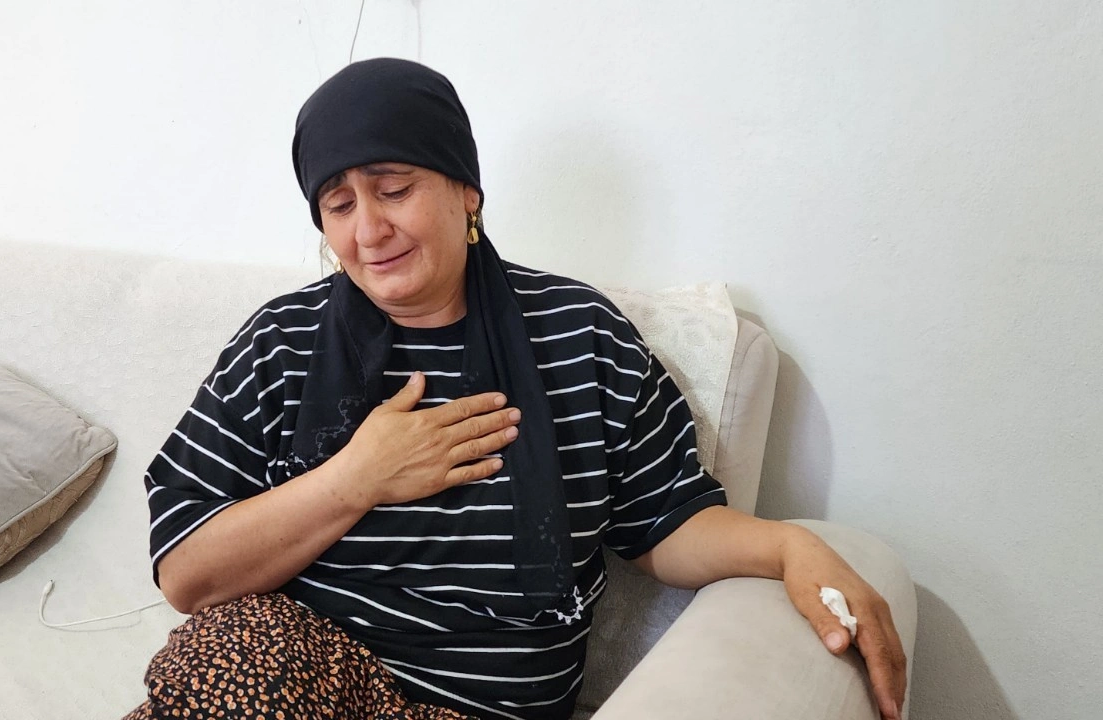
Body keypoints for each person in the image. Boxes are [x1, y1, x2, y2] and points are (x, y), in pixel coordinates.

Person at [126, 58, 907, 720]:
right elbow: (187, 572)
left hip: (477, 709)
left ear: (466, 190)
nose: (367, 230)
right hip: (288, 684)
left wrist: (788, 546)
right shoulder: (281, 343)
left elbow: (666, 520)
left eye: (393, 189)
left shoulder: (579, 335)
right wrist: (356, 478)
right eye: (338, 205)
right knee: (230, 651)